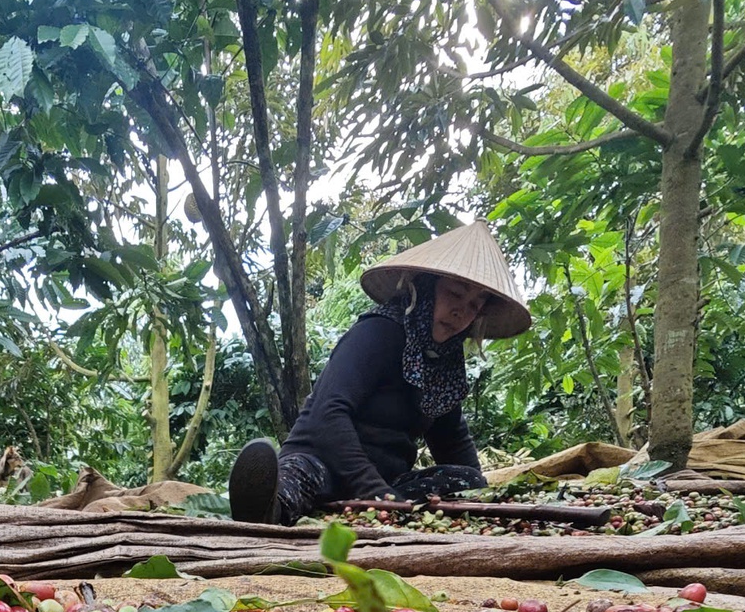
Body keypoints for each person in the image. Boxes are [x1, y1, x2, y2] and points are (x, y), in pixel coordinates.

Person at [228, 220, 533, 526]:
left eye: (474, 305)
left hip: (388, 482)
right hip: (322, 463)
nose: (461, 312)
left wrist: (481, 498)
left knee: (465, 479)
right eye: (455, 294)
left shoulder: (444, 363)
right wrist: (375, 493)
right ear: (425, 289)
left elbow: (451, 439)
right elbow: (328, 414)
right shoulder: (378, 331)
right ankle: (266, 508)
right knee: (297, 478)